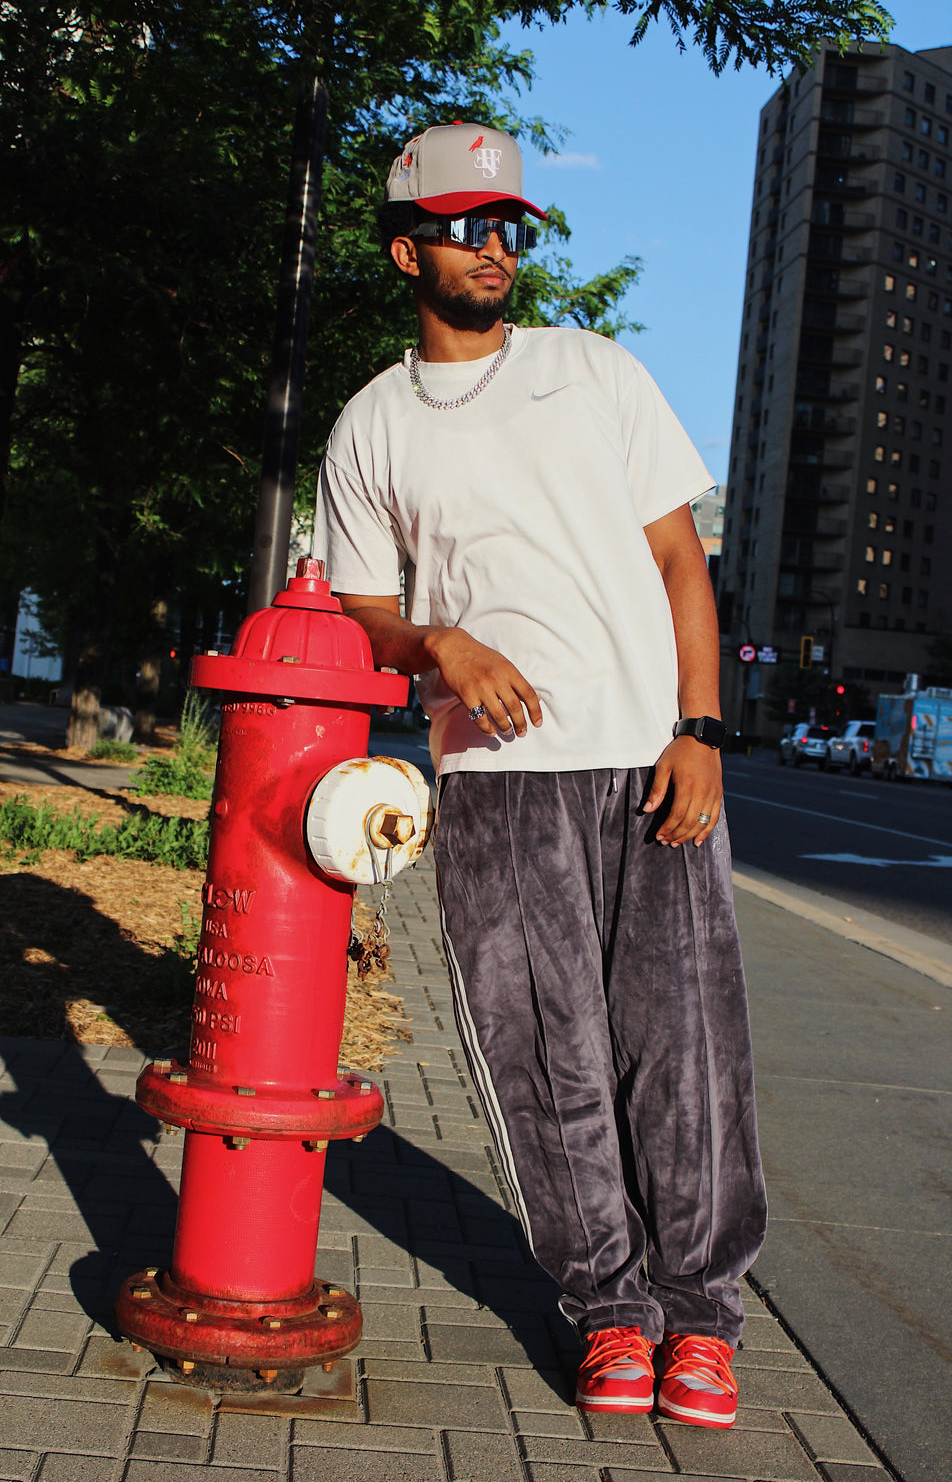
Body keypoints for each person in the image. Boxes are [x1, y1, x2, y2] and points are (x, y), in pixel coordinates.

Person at [313, 122, 767, 1430]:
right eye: (467, 229)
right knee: (536, 1053)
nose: (496, 250)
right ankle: (610, 1313)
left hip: (644, 757)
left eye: (511, 228)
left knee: (682, 1050)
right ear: (409, 250)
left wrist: (704, 732)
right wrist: (438, 644)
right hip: (495, 780)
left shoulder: (595, 372)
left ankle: (705, 1321)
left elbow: (686, 566)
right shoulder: (372, 425)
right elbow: (366, 616)